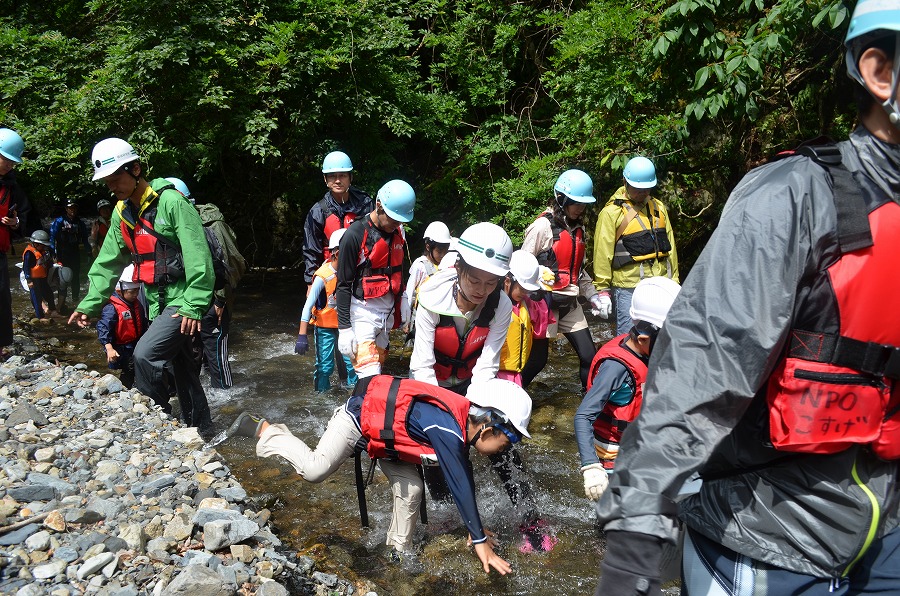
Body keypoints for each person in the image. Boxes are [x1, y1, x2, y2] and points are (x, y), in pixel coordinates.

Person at [594, 5, 900, 594]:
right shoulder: (793, 197)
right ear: (880, 72)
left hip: (886, 537)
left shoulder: (658, 210)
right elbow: (701, 363)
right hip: (766, 535)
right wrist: (636, 527)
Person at [225, 375, 533, 574]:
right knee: (314, 470)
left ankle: (396, 553)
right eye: (511, 439)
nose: (507, 447)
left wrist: (472, 528)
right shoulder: (447, 426)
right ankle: (265, 429)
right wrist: (479, 539)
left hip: (390, 441)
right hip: (357, 420)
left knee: (412, 490)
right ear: (491, 426)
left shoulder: (460, 427)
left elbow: (461, 476)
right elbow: (460, 482)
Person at [68, 138, 215, 435]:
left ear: (135, 169)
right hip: (155, 301)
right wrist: (90, 303)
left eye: (116, 178)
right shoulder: (123, 212)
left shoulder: (173, 203)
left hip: (183, 299)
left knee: (144, 355)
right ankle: (202, 430)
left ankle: (158, 426)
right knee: (183, 369)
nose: (112, 186)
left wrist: (194, 304)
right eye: (107, 182)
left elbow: (199, 257)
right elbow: (107, 262)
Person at [573, 277, 679, 502]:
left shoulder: (642, 351)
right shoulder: (616, 368)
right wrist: (591, 467)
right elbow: (583, 416)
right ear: (642, 338)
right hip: (613, 460)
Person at [520, 169, 603, 391]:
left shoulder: (579, 228)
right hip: (543, 304)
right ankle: (511, 396)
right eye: (576, 202)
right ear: (561, 198)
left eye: (584, 203)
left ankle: (590, 404)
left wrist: (593, 295)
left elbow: (577, 270)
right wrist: (537, 275)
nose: (581, 208)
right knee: (537, 362)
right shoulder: (541, 227)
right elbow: (520, 266)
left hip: (570, 302)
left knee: (589, 356)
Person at [165, 177, 247, 390]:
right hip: (187, 301)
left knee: (216, 352)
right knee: (192, 354)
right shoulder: (170, 224)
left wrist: (220, 298)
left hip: (214, 300)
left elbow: (228, 262)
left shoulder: (211, 224)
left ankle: (226, 399)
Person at [304, 151, 374, 386]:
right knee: (331, 328)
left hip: (358, 274)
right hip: (331, 275)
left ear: (350, 178)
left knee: (355, 330)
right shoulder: (318, 211)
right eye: (332, 176)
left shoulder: (365, 204)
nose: (337, 180)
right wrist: (310, 284)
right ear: (325, 180)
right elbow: (311, 250)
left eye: (342, 175)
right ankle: (328, 382)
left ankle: (354, 381)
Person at [592, 156, 679, 336]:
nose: (643, 192)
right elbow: (602, 253)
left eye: (647, 188)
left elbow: (670, 247)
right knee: (628, 337)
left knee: (662, 336)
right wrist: (603, 291)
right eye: (638, 189)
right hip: (628, 288)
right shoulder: (611, 213)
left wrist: (675, 281)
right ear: (625, 182)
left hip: (660, 284)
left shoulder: (659, 207)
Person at [336, 179, 415, 379]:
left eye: (400, 220)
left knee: (378, 374)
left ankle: (360, 407)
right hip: (361, 313)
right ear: (379, 205)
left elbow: (398, 268)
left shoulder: (398, 231)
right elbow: (343, 285)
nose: (397, 224)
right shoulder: (354, 234)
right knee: (369, 377)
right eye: (393, 219)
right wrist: (344, 328)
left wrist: (404, 298)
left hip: (386, 316)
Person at [296, 228, 358, 392]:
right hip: (324, 328)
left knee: (353, 363)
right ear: (337, 253)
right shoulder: (323, 276)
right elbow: (308, 306)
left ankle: (354, 395)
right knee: (325, 366)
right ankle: (321, 396)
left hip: (346, 326)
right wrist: (302, 335)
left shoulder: (354, 272)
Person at [498, 250, 555, 387]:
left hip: (515, 373)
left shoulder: (525, 304)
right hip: (497, 374)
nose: (525, 294)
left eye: (528, 290)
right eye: (522, 289)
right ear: (507, 281)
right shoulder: (494, 304)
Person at [0, 127, 31, 355]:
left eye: (12, 162)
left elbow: (23, 215)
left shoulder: (11, 185)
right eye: (6, 160)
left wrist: (15, 222)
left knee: (2, 296)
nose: (10, 165)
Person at [96, 264, 148, 389]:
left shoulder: (135, 303)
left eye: (137, 290)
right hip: (122, 346)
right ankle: (126, 390)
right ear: (120, 290)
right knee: (129, 369)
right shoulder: (111, 308)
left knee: (138, 366)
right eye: (132, 292)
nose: (136, 294)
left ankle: (136, 388)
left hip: (135, 342)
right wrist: (109, 348)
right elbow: (103, 327)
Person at [401, 220, 452, 338]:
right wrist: (406, 321)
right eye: (439, 251)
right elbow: (409, 292)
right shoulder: (420, 265)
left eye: (446, 251)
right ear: (428, 246)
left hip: (440, 316)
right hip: (420, 316)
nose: (443, 255)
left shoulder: (446, 265)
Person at [49, 198, 91, 304]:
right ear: (66, 209)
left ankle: (75, 299)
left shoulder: (80, 223)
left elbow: (85, 239)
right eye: (70, 208)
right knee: (62, 277)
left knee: (75, 276)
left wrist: (88, 251)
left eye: (74, 207)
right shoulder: (59, 221)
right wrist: (53, 252)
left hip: (75, 253)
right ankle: (62, 302)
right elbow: (52, 237)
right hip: (62, 253)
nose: (72, 210)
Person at [22, 230, 56, 320]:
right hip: (33, 279)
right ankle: (40, 316)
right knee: (36, 297)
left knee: (49, 293)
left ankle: (53, 310)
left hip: (42, 277)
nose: (44, 247)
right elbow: (26, 267)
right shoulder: (29, 253)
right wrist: (29, 280)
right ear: (36, 244)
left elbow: (47, 261)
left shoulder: (43, 250)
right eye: (43, 245)